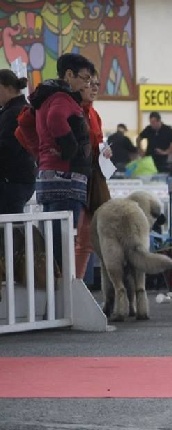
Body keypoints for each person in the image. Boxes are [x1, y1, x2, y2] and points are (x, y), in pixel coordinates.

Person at [29, 53, 95, 270]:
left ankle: (53, 293)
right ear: (69, 74)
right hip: (65, 178)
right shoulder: (61, 98)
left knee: (51, 241)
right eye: (84, 78)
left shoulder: (45, 97)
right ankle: (60, 296)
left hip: (49, 176)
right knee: (61, 244)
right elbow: (56, 118)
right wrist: (70, 148)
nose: (87, 83)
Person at [74, 71, 112, 279]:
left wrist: (105, 150)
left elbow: (97, 142)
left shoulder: (94, 114)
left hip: (93, 178)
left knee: (87, 238)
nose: (95, 88)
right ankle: (70, 286)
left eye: (98, 84)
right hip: (77, 178)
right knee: (74, 236)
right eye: (91, 83)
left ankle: (78, 284)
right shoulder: (74, 111)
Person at [0, 69, 35, 214]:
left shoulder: (14, 113)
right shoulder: (19, 109)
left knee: (10, 229)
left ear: (9, 88)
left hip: (12, 180)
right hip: (20, 178)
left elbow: (7, 148)